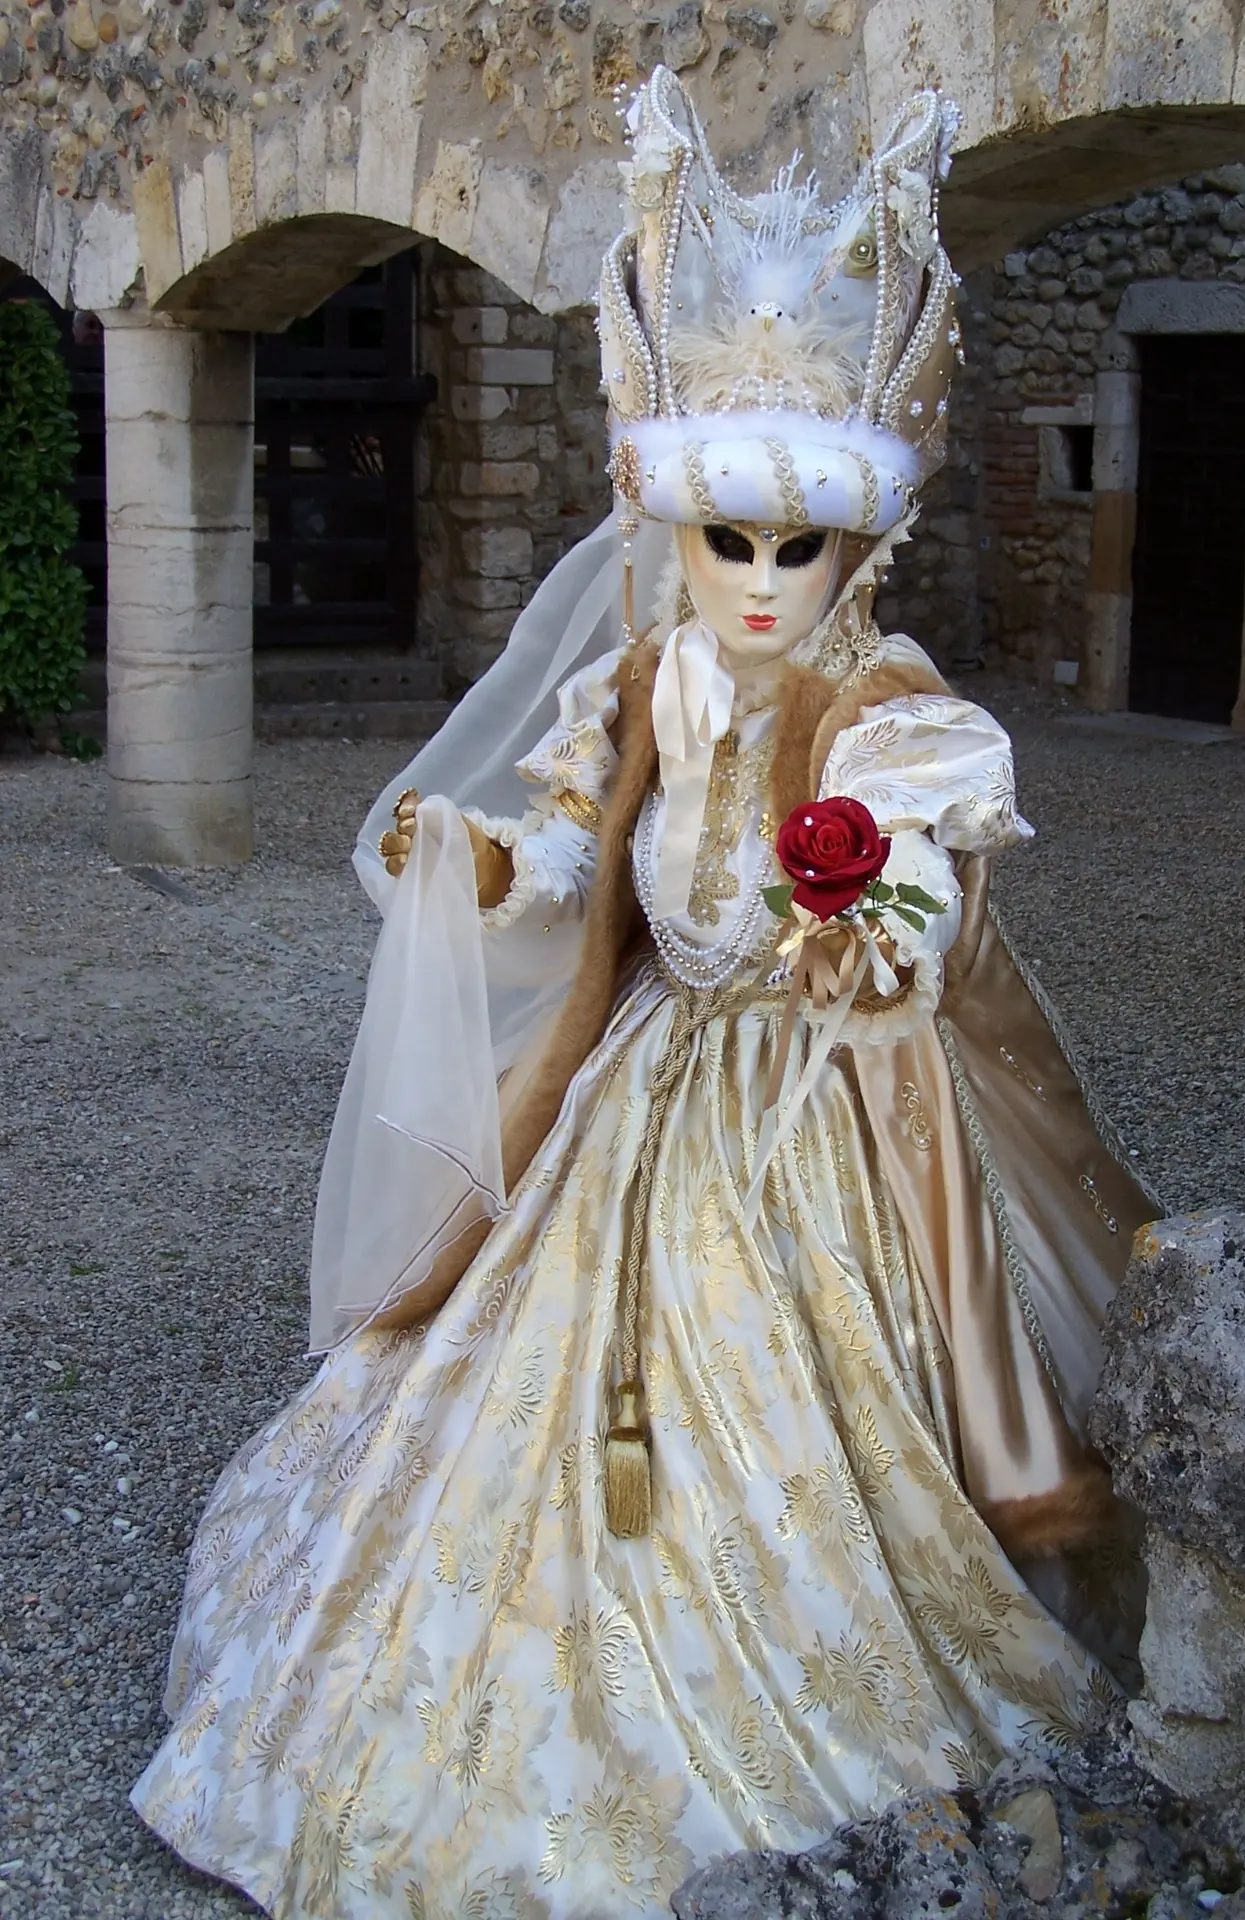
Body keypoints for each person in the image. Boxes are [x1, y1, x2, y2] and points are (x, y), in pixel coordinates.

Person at [132, 69, 1158, 1920]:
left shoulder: (901, 711)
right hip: (647, 1082)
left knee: (820, 1424)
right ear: (669, 529)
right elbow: (584, 856)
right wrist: (483, 863)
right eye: (726, 540)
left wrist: (885, 913)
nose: (760, 584)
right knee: (487, 1418)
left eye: (801, 545)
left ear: (863, 541)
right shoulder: (646, 683)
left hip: (813, 1117)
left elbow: (924, 882)